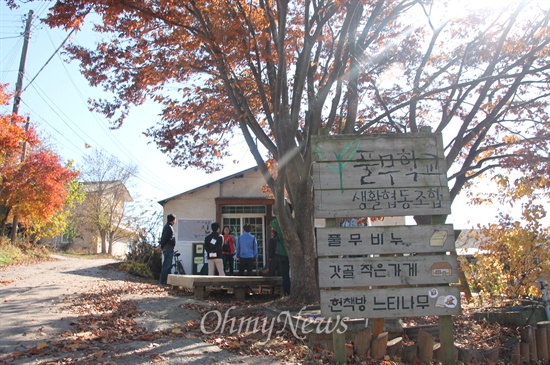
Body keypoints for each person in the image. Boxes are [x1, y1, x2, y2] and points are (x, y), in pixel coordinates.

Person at [271, 218, 290, 295]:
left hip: (282, 253)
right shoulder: (294, 221)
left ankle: (287, 292)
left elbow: (271, 223)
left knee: (285, 274)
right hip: (293, 253)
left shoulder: (278, 222)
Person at [159, 213, 176, 285]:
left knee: (168, 265)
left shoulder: (167, 227)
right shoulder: (169, 227)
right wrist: (161, 246)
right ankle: (163, 281)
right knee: (166, 265)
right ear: (173, 220)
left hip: (168, 247)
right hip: (168, 247)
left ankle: (168, 281)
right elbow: (165, 238)